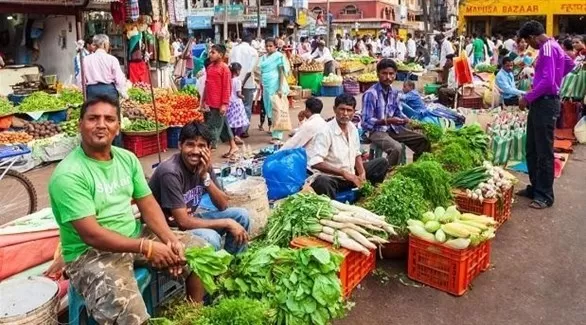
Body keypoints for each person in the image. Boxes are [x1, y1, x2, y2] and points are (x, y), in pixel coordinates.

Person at [48, 96, 208, 324]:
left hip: (133, 234)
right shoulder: (69, 175)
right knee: (130, 311)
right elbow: (91, 234)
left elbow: (148, 203)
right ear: (80, 124)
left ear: (118, 126)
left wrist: (169, 240)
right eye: (93, 118)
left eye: (109, 119)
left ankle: (194, 315)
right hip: (89, 253)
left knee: (197, 253)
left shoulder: (127, 159)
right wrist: (147, 247)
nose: (101, 124)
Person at [149, 122, 250, 254]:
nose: (196, 151)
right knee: (211, 238)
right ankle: (215, 269)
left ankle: (233, 264)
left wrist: (205, 176)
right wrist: (226, 222)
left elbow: (223, 205)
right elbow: (183, 222)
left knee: (241, 216)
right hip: (168, 229)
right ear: (180, 145)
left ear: (209, 148)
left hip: (188, 220)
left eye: (201, 146)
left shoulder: (204, 164)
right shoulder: (170, 172)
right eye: (190, 144)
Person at [517, 20, 575, 209]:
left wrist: (528, 97)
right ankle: (535, 187)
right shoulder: (554, 45)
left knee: (544, 152)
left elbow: (549, 81)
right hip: (542, 102)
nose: (529, 45)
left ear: (533, 37)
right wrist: (556, 77)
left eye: (527, 41)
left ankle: (544, 195)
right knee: (532, 147)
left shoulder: (547, 48)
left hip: (545, 103)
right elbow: (570, 64)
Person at [308, 94, 389, 199]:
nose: (345, 114)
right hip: (334, 178)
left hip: (351, 175)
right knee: (322, 182)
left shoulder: (353, 129)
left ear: (354, 112)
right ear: (334, 109)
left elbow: (356, 154)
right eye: (342, 109)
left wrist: (362, 173)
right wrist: (343, 173)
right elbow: (316, 162)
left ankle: (367, 195)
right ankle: (333, 207)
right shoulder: (325, 131)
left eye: (349, 110)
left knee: (382, 163)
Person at [362, 59, 431, 168]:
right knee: (396, 149)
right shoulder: (371, 94)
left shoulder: (394, 93)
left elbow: (398, 113)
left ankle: (418, 168)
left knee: (423, 140)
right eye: (384, 73)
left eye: (391, 74)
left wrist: (409, 121)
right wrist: (386, 121)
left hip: (393, 128)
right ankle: (384, 173)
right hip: (376, 131)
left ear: (395, 75)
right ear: (378, 74)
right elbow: (365, 122)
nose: (388, 77)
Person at [200, 44, 239, 158]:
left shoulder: (225, 69)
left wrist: (224, 104)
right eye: (210, 52)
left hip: (219, 104)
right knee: (224, 125)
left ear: (221, 55)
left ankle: (209, 148)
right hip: (210, 102)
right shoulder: (210, 67)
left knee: (212, 127)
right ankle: (233, 146)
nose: (210, 54)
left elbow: (227, 87)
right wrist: (203, 100)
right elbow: (207, 85)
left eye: (213, 52)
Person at [258, 38, 290, 143]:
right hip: (267, 87)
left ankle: (277, 136)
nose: (268, 48)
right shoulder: (263, 58)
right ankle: (273, 128)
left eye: (271, 46)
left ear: (276, 46)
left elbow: (281, 72)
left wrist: (280, 88)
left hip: (276, 86)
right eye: (266, 46)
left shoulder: (279, 57)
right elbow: (258, 70)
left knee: (278, 109)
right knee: (269, 109)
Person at [82, 34, 128, 103]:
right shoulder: (112, 59)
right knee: (110, 112)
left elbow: (81, 80)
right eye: (108, 43)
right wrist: (123, 93)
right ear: (104, 44)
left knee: (94, 112)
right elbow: (119, 80)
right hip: (109, 91)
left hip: (92, 91)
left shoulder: (86, 59)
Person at [229, 34, 259, 138]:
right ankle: (244, 130)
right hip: (247, 83)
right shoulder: (253, 51)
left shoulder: (233, 49)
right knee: (246, 106)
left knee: (233, 106)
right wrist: (242, 83)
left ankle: (233, 129)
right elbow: (249, 71)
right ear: (251, 41)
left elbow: (230, 66)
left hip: (232, 82)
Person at [226, 63, 249, 140]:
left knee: (231, 120)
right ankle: (237, 135)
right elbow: (238, 93)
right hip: (237, 103)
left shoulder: (228, 80)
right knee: (239, 120)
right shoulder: (238, 81)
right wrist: (243, 97)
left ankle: (231, 135)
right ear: (237, 71)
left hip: (230, 103)